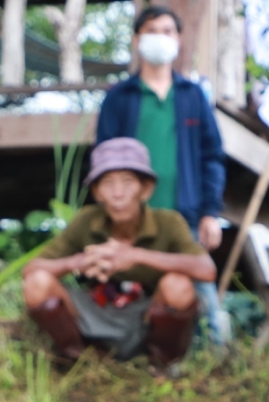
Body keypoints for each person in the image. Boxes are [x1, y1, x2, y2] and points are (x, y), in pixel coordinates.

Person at [22, 137, 215, 372]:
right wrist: (77, 262)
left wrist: (135, 255)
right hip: (96, 310)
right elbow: (30, 270)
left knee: (178, 285)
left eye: (128, 182)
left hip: (144, 315)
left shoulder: (169, 222)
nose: (118, 193)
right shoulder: (86, 220)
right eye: (108, 183)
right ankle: (79, 361)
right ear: (97, 192)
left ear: (146, 189)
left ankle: (159, 364)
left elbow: (206, 270)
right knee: (37, 283)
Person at [94, 5, 228, 335]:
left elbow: (212, 157)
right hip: (131, 222)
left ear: (179, 39)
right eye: (152, 31)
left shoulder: (192, 96)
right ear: (137, 39)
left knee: (202, 295)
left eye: (167, 31)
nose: (160, 38)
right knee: (125, 298)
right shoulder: (119, 98)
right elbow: (103, 160)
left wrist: (211, 212)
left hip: (186, 219)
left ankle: (219, 357)